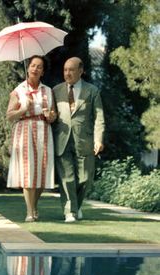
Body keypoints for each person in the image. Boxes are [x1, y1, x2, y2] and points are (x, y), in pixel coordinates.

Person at [53, 57, 105, 223]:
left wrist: (98, 140)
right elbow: (51, 115)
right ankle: (70, 212)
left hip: (85, 140)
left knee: (85, 178)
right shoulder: (56, 90)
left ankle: (76, 205)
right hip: (62, 139)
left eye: (71, 69)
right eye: (65, 70)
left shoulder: (92, 91)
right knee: (67, 178)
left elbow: (99, 118)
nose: (67, 73)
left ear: (81, 71)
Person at [6, 55, 57, 222]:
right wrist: (23, 108)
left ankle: (34, 206)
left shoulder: (48, 91)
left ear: (42, 72)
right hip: (25, 130)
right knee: (28, 172)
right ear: (28, 68)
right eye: (33, 65)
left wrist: (51, 116)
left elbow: (53, 114)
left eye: (39, 67)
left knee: (42, 174)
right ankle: (29, 212)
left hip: (43, 131)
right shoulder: (18, 90)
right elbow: (9, 116)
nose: (35, 69)